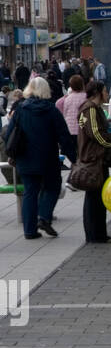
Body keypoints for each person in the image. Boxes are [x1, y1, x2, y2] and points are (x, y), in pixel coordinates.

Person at [4, 76, 74, 240]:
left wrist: (13, 154)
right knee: (52, 187)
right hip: (48, 158)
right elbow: (64, 136)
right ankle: (44, 217)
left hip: (25, 159)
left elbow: (9, 135)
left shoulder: (20, 109)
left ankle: (29, 231)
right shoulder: (51, 110)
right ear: (46, 90)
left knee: (30, 192)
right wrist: (74, 157)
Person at [75, 80, 111, 243]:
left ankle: (98, 233)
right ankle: (95, 235)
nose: (107, 94)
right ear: (97, 92)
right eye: (105, 91)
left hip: (97, 158)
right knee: (94, 198)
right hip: (93, 159)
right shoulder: (90, 108)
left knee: (97, 198)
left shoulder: (94, 109)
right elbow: (96, 133)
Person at [56, 73, 86, 140]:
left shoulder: (67, 99)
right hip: (81, 130)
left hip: (69, 129)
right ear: (82, 85)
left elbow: (65, 114)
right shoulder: (85, 97)